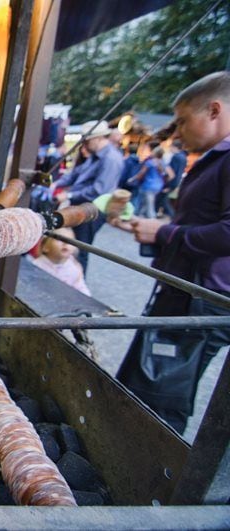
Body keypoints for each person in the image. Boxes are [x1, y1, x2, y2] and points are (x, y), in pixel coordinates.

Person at [119, 71, 230, 434]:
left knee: (162, 392)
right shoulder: (215, 159)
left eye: (183, 120)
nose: (178, 131)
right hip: (185, 290)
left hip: (200, 298)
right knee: (144, 383)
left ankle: (149, 460)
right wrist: (153, 232)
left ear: (214, 110)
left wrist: (165, 232)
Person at [52, 120, 124, 272]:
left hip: (93, 210)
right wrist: (56, 183)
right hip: (83, 206)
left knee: (80, 248)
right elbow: (76, 174)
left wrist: (69, 194)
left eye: (87, 140)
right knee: (73, 243)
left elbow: (99, 190)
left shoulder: (111, 158)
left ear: (97, 138)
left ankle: (77, 280)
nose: (84, 144)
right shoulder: (96, 155)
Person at [31, 228, 91, 296]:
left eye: (70, 241)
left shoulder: (75, 267)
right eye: (60, 239)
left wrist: (87, 297)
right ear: (45, 247)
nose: (65, 243)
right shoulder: (37, 266)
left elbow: (80, 287)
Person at [127, 144, 170, 218]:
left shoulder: (150, 162)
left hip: (148, 185)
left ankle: (151, 218)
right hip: (158, 186)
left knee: (149, 205)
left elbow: (141, 173)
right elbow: (169, 175)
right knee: (145, 203)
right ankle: (139, 217)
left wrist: (132, 179)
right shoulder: (163, 163)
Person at [159, 139, 187, 217]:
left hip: (171, 182)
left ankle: (173, 216)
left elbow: (172, 172)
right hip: (176, 182)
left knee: (163, 200)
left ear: (174, 147)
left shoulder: (176, 157)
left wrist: (168, 184)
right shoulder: (183, 157)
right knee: (163, 199)